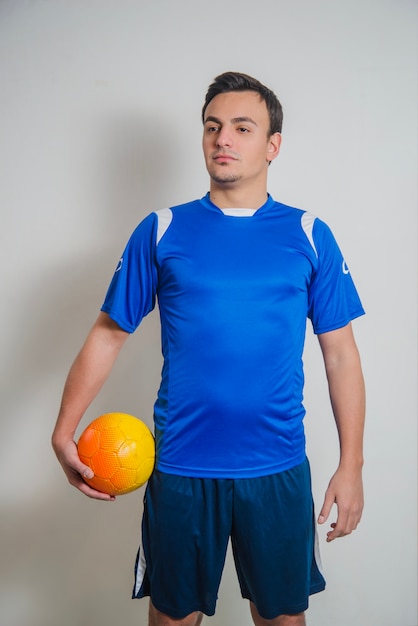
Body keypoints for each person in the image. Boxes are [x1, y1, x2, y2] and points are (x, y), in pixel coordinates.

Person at [52, 71, 366, 626]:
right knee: (174, 618)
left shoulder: (310, 233)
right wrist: (63, 429)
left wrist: (352, 465)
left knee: (282, 619)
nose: (223, 139)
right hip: (180, 467)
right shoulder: (162, 229)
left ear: (272, 146)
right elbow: (108, 333)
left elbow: (339, 354)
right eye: (212, 127)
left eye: (242, 128)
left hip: (276, 467)